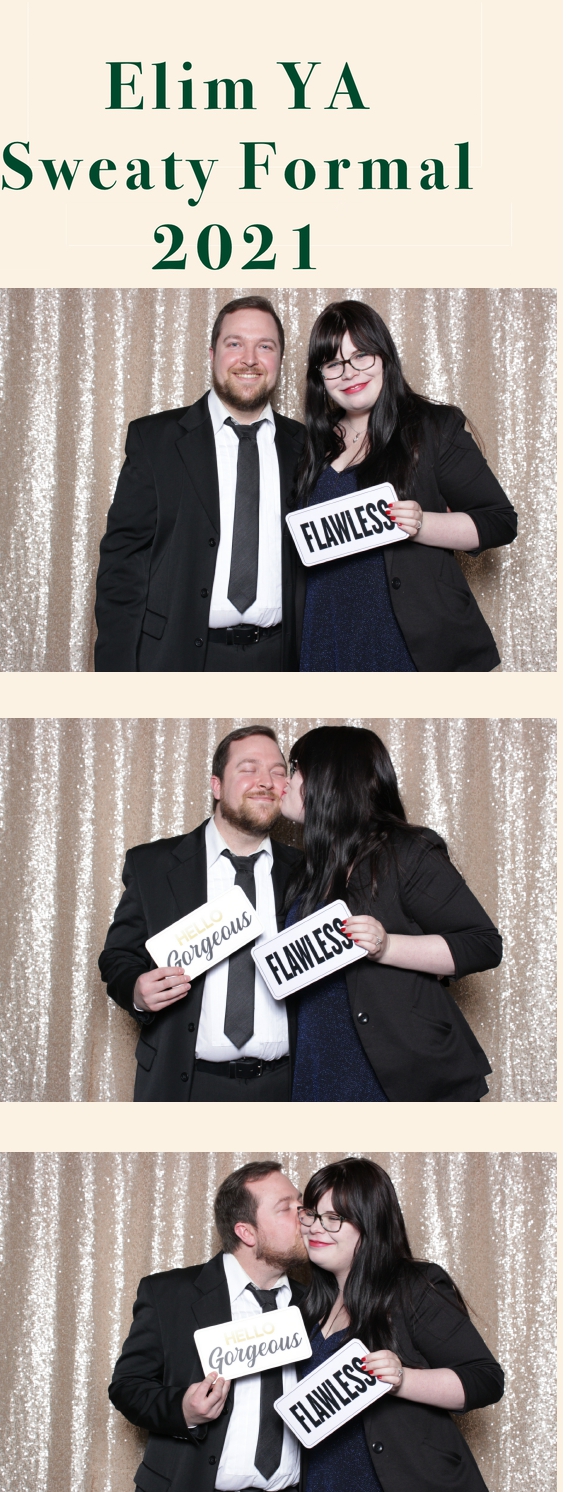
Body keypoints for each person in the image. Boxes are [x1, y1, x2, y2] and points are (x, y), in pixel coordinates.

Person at [280, 726, 502, 1102]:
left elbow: (482, 944)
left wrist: (387, 946)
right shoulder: (308, 869)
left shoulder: (406, 852)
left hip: (399, 1071)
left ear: (329, 778)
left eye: (295, 769)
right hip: (320, 1066)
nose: (285, 781)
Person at [296, 301, 517, 672]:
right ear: (320, 376)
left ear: (384, 357)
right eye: (333, 363)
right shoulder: (309, 443)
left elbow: (499, 521)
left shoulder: (433, 428)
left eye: (361, 356)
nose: (349, 373)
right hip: (326, 635)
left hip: (409, 641)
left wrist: (422, 524)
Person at [94, 297, 304, 672]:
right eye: (235, 343)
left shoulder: (308, 447)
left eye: (265, 346)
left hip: (282, 658)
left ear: (280, 360)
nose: (249, 359)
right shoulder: (154, 441)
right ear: (212, 355)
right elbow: (122, 566)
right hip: (177, 658)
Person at [297, 1158, 504, 1492]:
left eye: (334, 1218)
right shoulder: (306, 1308)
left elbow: (485, 1379)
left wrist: (402, 1380)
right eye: (310, 1214)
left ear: (370, 1224)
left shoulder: (413, 1287)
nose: (315, 1227)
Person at [99, 726, 301, 1101]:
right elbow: (117, 957)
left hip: (287, 1086)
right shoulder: (153, 865)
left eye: (277, 772)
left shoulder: (310, 871)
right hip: (187, 1085)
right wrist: (137, 991)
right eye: (249, 768)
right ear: (216, 785)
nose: (266, 782)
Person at [109, 1162, 308, 1492]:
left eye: (302, 1204)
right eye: (287, 1208)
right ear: (246, 1232)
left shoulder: (317, 1304)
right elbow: (127, 1387)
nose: (305, 1216)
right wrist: (183, 1409)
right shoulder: (170, 1295)